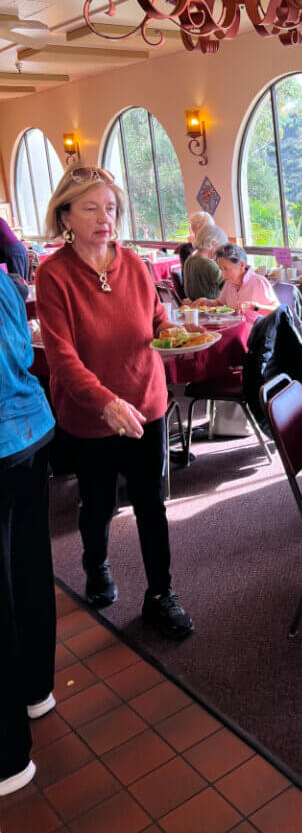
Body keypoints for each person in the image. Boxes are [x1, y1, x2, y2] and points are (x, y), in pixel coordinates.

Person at [36, 165, 194, 639]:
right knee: (99, 503)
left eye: (110, 208)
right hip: (92, 414)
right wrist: (105, 403)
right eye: (90, 208)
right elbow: (62, 358)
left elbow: (155, 315)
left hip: (146, 401)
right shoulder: (53, 275)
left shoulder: (136, 265)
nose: (105, 218)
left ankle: (161, 595)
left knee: (151, 503)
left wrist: (170, 330)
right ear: (66, 216)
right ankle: (96, 563)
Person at [0, 269, 56, 797]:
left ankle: (7, 755)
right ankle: (36, 689)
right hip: (31, 431)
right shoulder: (4, 281)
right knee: (29, 569)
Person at [190, 242, 279, 316]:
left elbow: (278, 311)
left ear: (241, 265)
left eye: (226, 269)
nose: (223, 275)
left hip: (256, 334)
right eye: (221, 269)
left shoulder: (259, 282)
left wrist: (255, 307)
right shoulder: (229, 283)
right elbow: (220, 303)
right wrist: (207, 302)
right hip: (234, 330)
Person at [183, 222, 226, 301]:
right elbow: (226, 285)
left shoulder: (189, 259)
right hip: (211, 308)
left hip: (195, 305)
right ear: (213, 243)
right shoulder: (207, 263)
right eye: (220, 246)